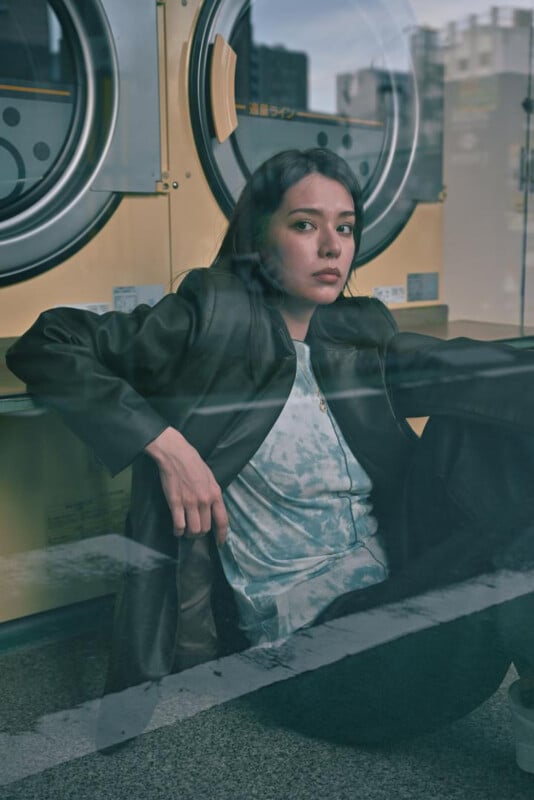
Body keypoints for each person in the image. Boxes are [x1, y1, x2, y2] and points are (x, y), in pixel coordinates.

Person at [6, 149, 534, 757]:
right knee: (516, 556)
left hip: (399, 595)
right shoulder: (207, 320)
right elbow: (48, 342)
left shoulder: (359, 331)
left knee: (480, 416)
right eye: (305, 225)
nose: (333, 247)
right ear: (259, 238)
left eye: (345, 227)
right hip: (317, 660)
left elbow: (474, 376)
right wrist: (165, 444)